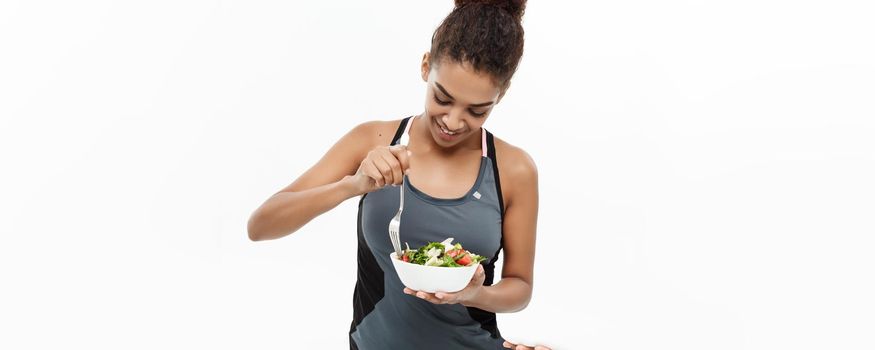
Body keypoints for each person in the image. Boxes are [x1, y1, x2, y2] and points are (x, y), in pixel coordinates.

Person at [248, 1, 548, 348]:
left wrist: (474, 294)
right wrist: (352, 185)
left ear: (501, 96)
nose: (452, 121)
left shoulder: (513, 169)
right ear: (425, 67)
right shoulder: (373, 140)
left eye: (477, 111)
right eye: (442, 97)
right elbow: (260, 226)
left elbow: (519, 287)